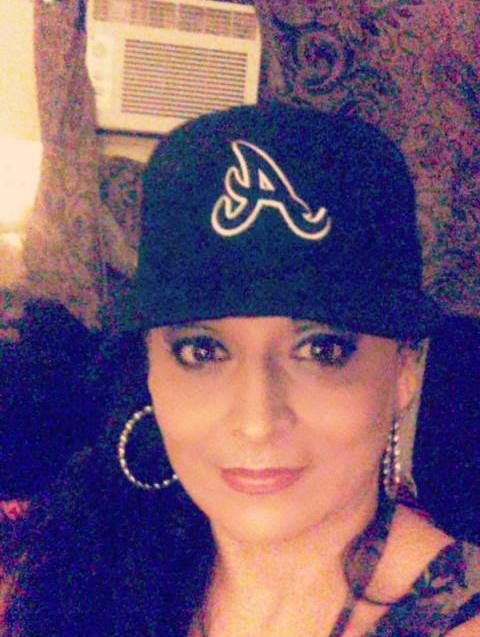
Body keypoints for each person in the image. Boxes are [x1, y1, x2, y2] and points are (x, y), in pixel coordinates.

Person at [4, 103, 480, 636]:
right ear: (151, 369)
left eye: (321, 350)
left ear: (404, 371)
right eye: (202, 351)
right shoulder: (78, 575)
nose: (256, 422)